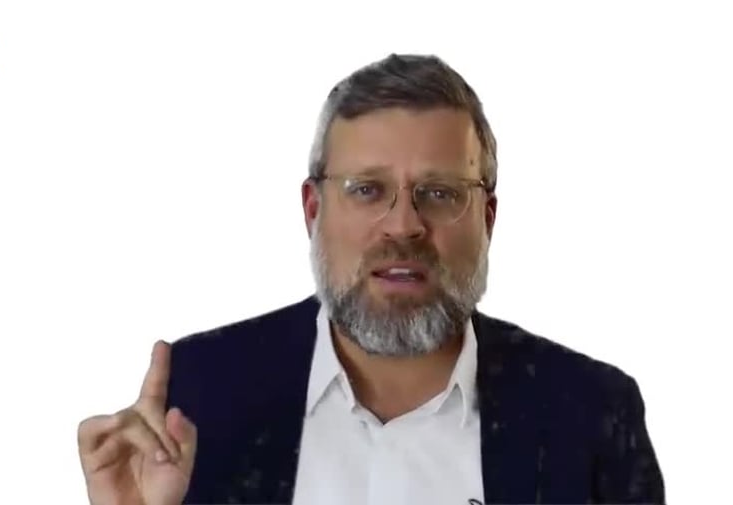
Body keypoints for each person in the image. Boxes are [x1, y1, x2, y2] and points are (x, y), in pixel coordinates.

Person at [77, 53, 666, 505]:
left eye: (440, 193)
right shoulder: (200, 396)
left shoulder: (590, 414)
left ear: (487, 219)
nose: (404, 225)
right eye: (366, 190)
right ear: (312, 210)